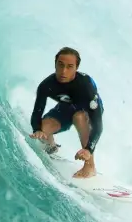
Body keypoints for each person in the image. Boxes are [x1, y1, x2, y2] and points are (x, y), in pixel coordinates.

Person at [29, 46, 104, 178]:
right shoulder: (47, 85)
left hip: (87, 111)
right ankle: (51, 147)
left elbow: (98, 124)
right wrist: (37, 129)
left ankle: (90, 166)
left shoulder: (85, 86)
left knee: (79, 117)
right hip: (66, 108)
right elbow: (37, 111)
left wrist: (88, 149)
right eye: (60, 65)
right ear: (55, 64)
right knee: (43, 129)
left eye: (69, 67)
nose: (64, 71)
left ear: (76, 68)